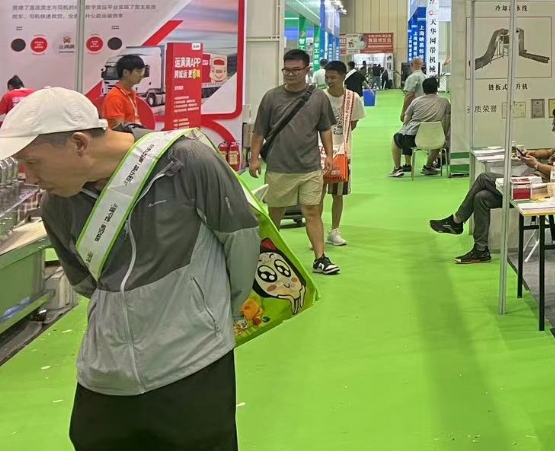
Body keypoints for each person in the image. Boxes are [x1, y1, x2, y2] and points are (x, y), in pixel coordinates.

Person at [3, 87, 258, 450]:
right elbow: (85, 282)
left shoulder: (185, 162)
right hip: (106, 373)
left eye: (32, 162)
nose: (28, 176)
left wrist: (204, 315)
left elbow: (241, 244)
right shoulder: (57, 204)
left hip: (193, 362)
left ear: (79, 143)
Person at [429, 104, 555, 265]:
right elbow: (550, 153)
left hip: (541, 191)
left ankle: (457, 221)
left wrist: (536, 164)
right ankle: (480, 250)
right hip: (534, 185)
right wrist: (533, 153)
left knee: (484, 178)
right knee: (481, 197)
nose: (553, 129)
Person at [248, 48, 340, 276]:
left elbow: (325, 128)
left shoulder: (318, 98)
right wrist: (254, 158)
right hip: (279, 168)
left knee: (312, 212)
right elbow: (259, 131)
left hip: (310, 167)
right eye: (286, 70)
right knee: (275, 214)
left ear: (307, 70)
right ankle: (267, 256)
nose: (290, 74)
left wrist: (329, 155)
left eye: (295, 70)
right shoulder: (271, 97)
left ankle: (320, 258)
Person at [320, 60, 364, 246]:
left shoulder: (353, 98)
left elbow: (353, 123)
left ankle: (334, 231)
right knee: (317, 194)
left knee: (338, 194)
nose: (329, 81)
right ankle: (317, 232)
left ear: (343, 77)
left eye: (333, 77)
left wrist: (338, 144)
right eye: (327, 77)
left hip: (342, 153)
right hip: (318, 153)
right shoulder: (319, 97)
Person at [390, 76, 451, 177]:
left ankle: (397, 168)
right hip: (435, 138)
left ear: (423, 89)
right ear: (437, 88)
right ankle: (428, 167)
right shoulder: (445, 102)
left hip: (413, 139)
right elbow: (447, 121)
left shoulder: (416, 101)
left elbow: (406, 120)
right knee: (437, 141)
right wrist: (443, 134)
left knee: (396, 139)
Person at [100, 54, 146, 130]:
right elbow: (119, 128)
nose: (141, 75)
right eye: (138, 71)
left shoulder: (130, 93)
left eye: (142, 71)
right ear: (125, 73)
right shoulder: (115, 97)